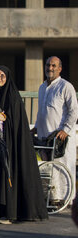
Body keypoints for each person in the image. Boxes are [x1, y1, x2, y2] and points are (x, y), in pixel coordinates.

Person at [0, 65, 48, 224]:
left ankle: (9, 213)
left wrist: (5, 117)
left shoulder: (13, 96)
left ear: (7, 78)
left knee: (7, 177)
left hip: (9, 145)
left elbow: (17, 121)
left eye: (2, 76)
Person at [31, 56, 78, 202]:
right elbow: (41, 112)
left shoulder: (66, 86)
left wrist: (65, 129)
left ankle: (66, 200)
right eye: (47, 65)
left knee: (62, 167)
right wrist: (36, 128)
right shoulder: (42, 87)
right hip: (45, 137)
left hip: (60, 137)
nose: (49, 68)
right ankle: (53, 199)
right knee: (48, 169)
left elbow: (74, 111)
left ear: (60, 68)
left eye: (53, 65)